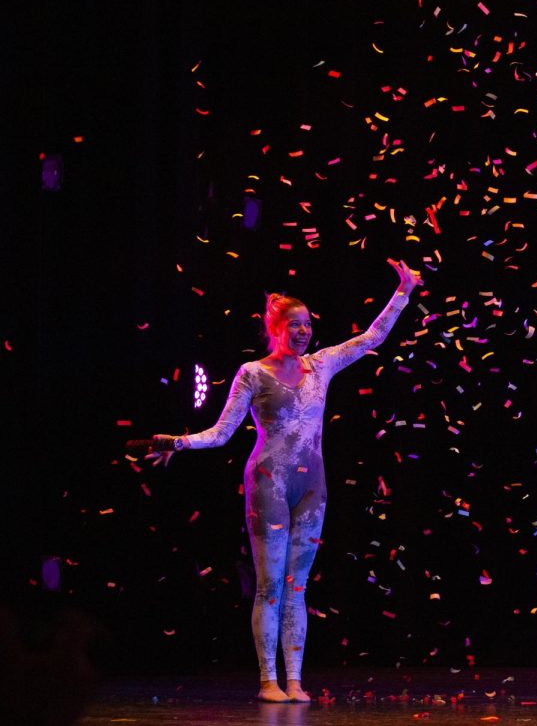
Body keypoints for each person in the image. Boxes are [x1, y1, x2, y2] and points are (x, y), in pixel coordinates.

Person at [149, 259, 422, 702]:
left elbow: (372, 338)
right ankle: (267, 681)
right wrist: (174, 442)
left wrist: (404, 291)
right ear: (274, 327)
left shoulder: (322, 366)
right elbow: (221, 434)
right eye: (294, 324)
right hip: (269, 485)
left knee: (298, 585)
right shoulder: (252, 374)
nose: (304, 332)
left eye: (308, 324)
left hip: (312, 488)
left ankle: (294, 681)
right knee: (270, 583)